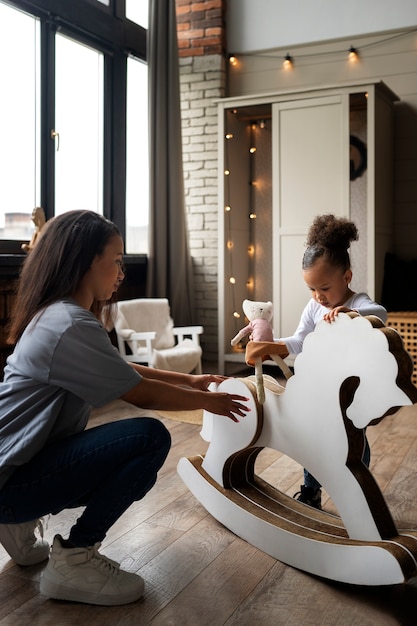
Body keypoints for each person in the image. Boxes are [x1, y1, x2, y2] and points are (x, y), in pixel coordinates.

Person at [0, 210, 250, 606]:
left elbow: (121, 369)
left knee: (138, 466)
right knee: (147, 440)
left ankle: (16, 521)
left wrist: (191, 381)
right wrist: (209, 402)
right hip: (8, 482)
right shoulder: (69, 323)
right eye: (115, 260)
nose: (121, 272)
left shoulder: (59, 316)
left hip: (13, 468)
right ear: (84, 261)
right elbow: (141, 394)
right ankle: (74, 557)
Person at [276, 214, 387, 510]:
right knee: (314, 439)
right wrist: (272, 345)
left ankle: (357, 487)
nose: (319, 297)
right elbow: (298, 340)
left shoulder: (357, 303)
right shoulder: (314, 307)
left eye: (325, 288)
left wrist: (348, 315)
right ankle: (311, 490)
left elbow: (380, 314)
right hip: (320, 388)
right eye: (312, 289)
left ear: (346, 277)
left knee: (352, 439)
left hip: (351, 390)